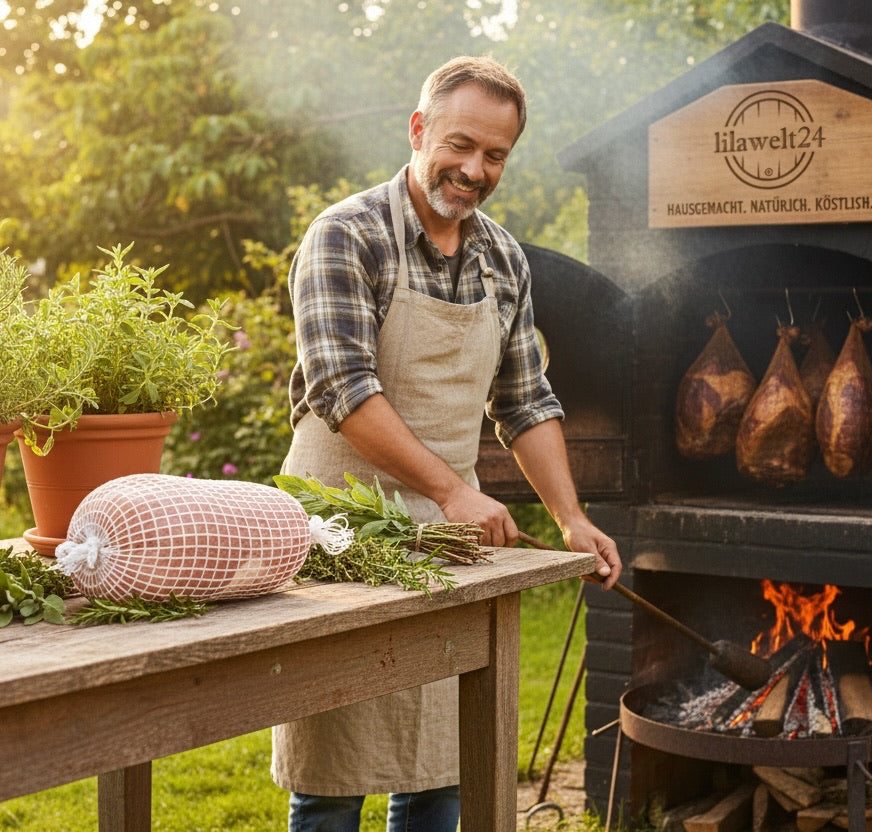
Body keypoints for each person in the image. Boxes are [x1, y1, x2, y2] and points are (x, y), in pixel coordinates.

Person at [271, 55, 622, 832]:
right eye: (460, 144)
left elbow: (527, 401)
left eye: (495, 155)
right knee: (332, 775)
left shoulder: (503, 259)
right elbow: (343, 392)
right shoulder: (346, 235)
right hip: (340, 533)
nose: (474, 169)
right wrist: (453, 490)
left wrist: (571, 517)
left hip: (444, 541)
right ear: (419, 128)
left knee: (442, 768)